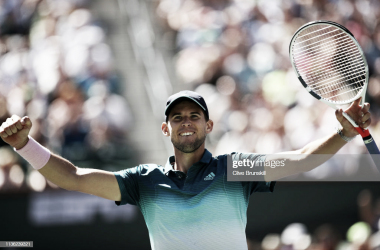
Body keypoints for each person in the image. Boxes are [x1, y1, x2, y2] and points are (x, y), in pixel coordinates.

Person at [0, 90, 372, 250]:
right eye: (177, 118)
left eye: (195, 115)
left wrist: (343, 132)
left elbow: (302, 159)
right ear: (166, 129)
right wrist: (24, 146)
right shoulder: (142, 181)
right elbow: (72, 177)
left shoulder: (235, 169)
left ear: (208, 125)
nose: (186, 122)